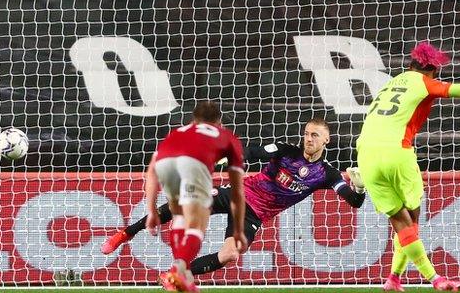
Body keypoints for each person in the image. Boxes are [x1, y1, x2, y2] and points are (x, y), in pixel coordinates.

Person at [102, 118, 366, 276]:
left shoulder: (326, 175)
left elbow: (353, 202)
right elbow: (253, 152)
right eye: (307, 133)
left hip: (254, 215)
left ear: (326, 140)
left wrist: (361, 188)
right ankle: (126, 233)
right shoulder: (285, 151)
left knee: (230, 254)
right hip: (239, 194)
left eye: (314, 135)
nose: (308, 138)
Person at [356, 42, 460, 292]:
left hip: (365, 153)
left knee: (399, 221)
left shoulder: (391, 83)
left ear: (410, 65)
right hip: (396, 151)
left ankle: (394, 279)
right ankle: (436, 280)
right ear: (434, 70)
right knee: (412, 220)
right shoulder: (425, 82)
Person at [142, 101, 247, 293]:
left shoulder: (177, 132)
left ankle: (181, 277)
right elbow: (238, 191)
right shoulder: (227, 137)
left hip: (167, 167)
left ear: (195, 120)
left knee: (181, 220)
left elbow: (152, 172)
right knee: (197, 225)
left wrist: (151, 210)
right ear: (219, 122)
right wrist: (238, 229)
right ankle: (178, 273)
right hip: (193, 167)